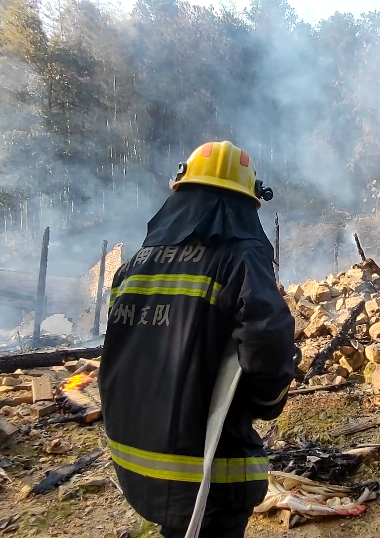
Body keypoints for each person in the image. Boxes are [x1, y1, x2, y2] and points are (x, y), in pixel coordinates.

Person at [99, 141, 296, 538]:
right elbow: (268, 339)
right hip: (208, 470)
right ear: (245, 204)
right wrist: (266, 402)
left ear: (181, 193)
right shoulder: (238, 258)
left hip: (135, 459)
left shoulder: (131, 267)